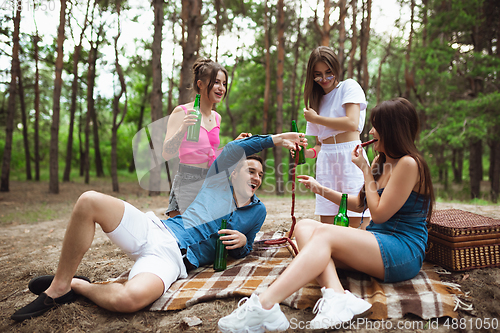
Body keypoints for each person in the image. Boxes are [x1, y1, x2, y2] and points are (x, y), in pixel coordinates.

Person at [10, 132, 305, 322]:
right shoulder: (216, 183)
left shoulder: (258, 210)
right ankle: (59, 285)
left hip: (171, 260)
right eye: (250, 170)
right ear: (233, 173)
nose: (256, 177)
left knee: (130, 299)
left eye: (260, 174)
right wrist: (276, 139)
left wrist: (243, 243)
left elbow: (249, 245)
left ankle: (78, 285)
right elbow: (232, 148)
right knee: (89, 201)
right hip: (155, 230)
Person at [218, 98, 435, 332]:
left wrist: (364, 170)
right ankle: (336, 295)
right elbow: (360, 203)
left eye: (376, 126)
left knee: (323, 234)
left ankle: (265, 304)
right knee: (304, 227)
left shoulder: (409, 164)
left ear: (392, 130)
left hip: (402, 251)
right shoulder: (380, 162)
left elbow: (379, 214)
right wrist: (319, 188)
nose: (371, 131)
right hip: (377, 242)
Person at [163, 58, 250, 218]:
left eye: (224, 84)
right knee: (182, 237)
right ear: (200, 84)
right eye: (216, 82)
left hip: (210, 181)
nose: (221, 88)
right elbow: (167, 153)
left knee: (206, 238)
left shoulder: (217, 117)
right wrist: (183, 128)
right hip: (187, 182)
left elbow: (211, 156)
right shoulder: (181, 111)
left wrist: (233, 145)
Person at [300, 46, 369, 227]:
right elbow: (319, 145)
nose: (324, 79)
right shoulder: (314, 101)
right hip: (326, 158)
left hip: (351, 155)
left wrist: (317, 118)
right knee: (327, 218)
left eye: (328, 73)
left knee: (357, 214)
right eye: (318, 74)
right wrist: (306, 153)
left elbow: (352, 123)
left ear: (336, 69)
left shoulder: (348, 86)